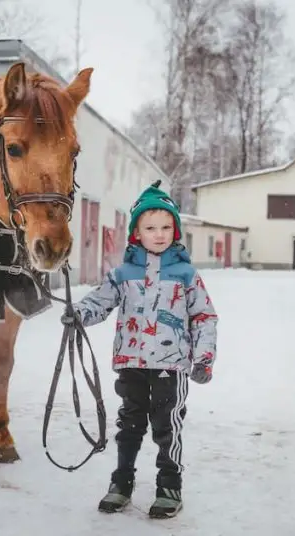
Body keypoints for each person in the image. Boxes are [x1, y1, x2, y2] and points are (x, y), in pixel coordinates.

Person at [62, 180, 219, 519]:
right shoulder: (123, 273)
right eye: (150, 228)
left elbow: (204, 316)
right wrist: (78, 314)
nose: (159, 234)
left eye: (166, 227)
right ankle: (121, 482)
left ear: (175, 231)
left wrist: (204, 358)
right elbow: (100, 302)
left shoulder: (185, 274)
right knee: (130, 424)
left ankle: (169, 485)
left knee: (167, 425)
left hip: (171, 366)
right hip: (131, 362)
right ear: (136, 233)